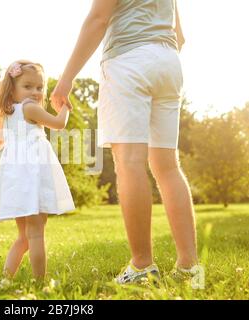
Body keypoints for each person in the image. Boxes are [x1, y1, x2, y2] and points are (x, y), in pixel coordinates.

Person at [51, 0, 199, 284]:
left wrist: (66, 79)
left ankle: (142, 266)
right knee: (167, 167)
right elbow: (180, 36)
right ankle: (189, 268)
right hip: (168, 61)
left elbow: (98, 19)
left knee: (130, 162)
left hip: (128, 61)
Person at [0, 61, 75, 279]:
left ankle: (5, 280)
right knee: (36, 234)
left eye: (39, 87)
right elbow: (58, 124)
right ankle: (40, 282)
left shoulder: (5, 113)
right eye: (28, 86)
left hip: (16, 179)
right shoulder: (30, 108)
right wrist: (65, 106)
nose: (35, 92)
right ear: (13, 88)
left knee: (24, 237)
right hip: (32, 178)